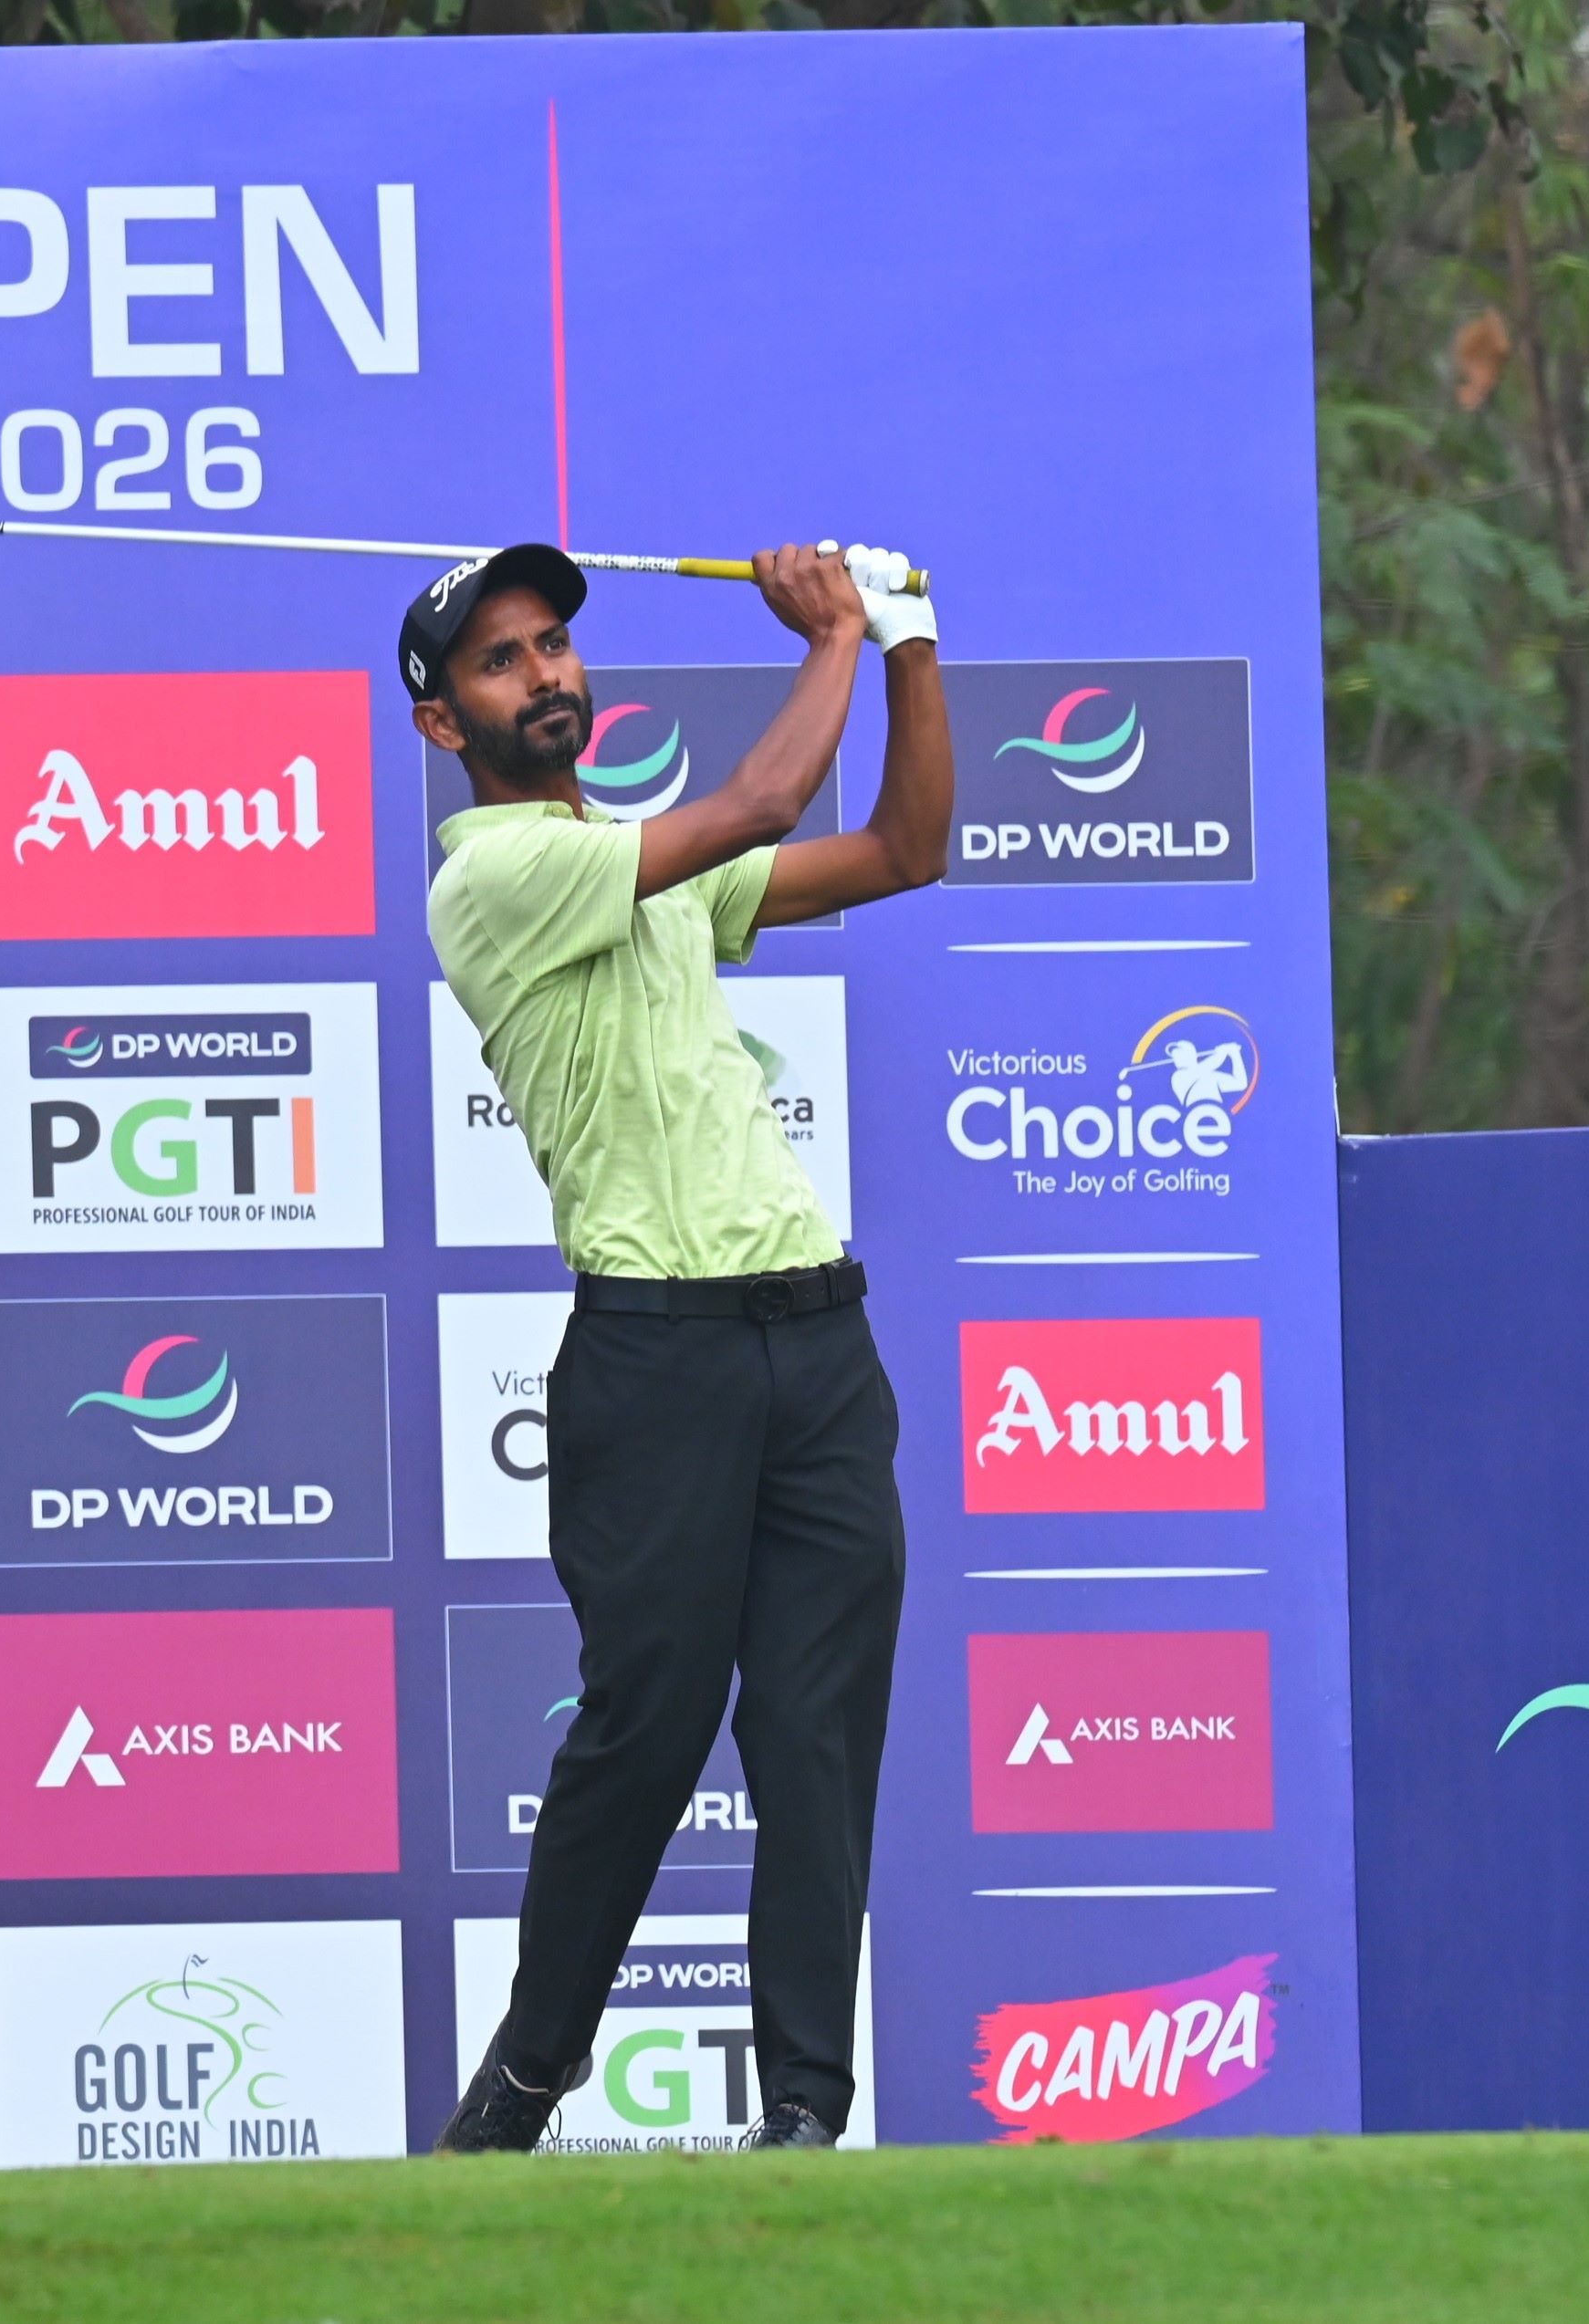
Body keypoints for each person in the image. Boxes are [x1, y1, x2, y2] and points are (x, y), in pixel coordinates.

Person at [409, 538, 951, 2153]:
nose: (543, 674)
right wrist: (831, 630)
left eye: (552, 645)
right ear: (443, 723)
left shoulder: (635, 861)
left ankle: (805, 2116)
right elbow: (769, 799)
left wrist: (910, 644)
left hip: (816, 1338)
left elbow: (908, 848)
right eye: (499, 661)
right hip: (657, 1361)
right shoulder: (492, 877)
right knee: (646, 1733)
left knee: (814, 1732)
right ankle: (526, 2080)